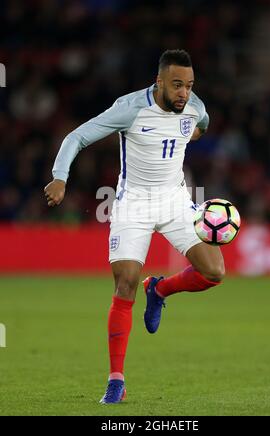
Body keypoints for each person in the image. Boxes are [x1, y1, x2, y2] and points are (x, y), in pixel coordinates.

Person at [44, 49, 225, 404]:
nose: (183, 93)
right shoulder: (129, 108)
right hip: (134, 204)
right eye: (176, 85)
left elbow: (201, 125)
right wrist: (59, 178)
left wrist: (189, 135)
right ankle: (116, 380)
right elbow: (76, 137)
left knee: (215, 272)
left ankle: (159, 290)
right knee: (125, 283)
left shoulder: (194, 107)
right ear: (159, 82)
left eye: (189, 86)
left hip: (175, 201)